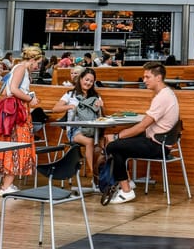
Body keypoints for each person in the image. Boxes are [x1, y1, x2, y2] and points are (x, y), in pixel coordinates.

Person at [103, 62, 179, 204]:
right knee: (119, 146)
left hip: (158, 145)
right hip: (161, 141)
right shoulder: (166, 93)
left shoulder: (162, 97)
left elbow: (142, 126)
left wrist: (116, 136)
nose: (144, 80)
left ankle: (126, 191)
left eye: (147, 77)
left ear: (158, 78)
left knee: (113, 146)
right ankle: (127, 185)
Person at [0, 46, 45, 196]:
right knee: (16, 146)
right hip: (16, 114)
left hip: (16, 112)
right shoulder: (21, 68)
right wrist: (30, 99)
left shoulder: (19, 69)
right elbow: (13, 89)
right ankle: (6, 187)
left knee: (14, 146)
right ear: (33, 59)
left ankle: (7, 184)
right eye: (37, 63)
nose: (37, 67)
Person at [53, 67, 104, 175]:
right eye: (86, 79)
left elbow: (101, 115)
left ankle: (103, 172)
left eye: (91, 81)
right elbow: (55, 109)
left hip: (92, 130)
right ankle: (94, 175)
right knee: (90, 142)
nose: (88, 83)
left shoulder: (95, 96)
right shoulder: (70, 94)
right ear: (80, 79)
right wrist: (70, 106)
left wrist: (100, 106)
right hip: (75, 131)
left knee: (106, 142)